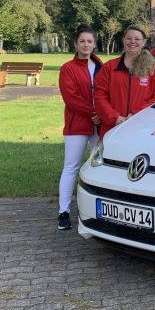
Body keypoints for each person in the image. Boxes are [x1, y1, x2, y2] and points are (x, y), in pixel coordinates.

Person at [57, 25, 103, 230]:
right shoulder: (68, 68)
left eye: (90, 41)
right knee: (71, 167)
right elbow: (70, 98)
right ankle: (64, 211)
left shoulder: (101, 65)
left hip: (99, 123)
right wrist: (92, 112)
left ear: (94, 44)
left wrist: (100, 114)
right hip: (78, 123)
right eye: (82, 41)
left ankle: (97, 209)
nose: (86, 45)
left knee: (99, 166)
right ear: (76, 44)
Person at [94, 26, 155, 137]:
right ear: (123, 40)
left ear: (143, 42)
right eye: (129, 38)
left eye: (137, 39)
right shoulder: (109, 67)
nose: (132, 42)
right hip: (112, 128)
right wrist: (115, 118)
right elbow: (99, 96)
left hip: (142, 127)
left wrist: (136, 115)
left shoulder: (153, 67)